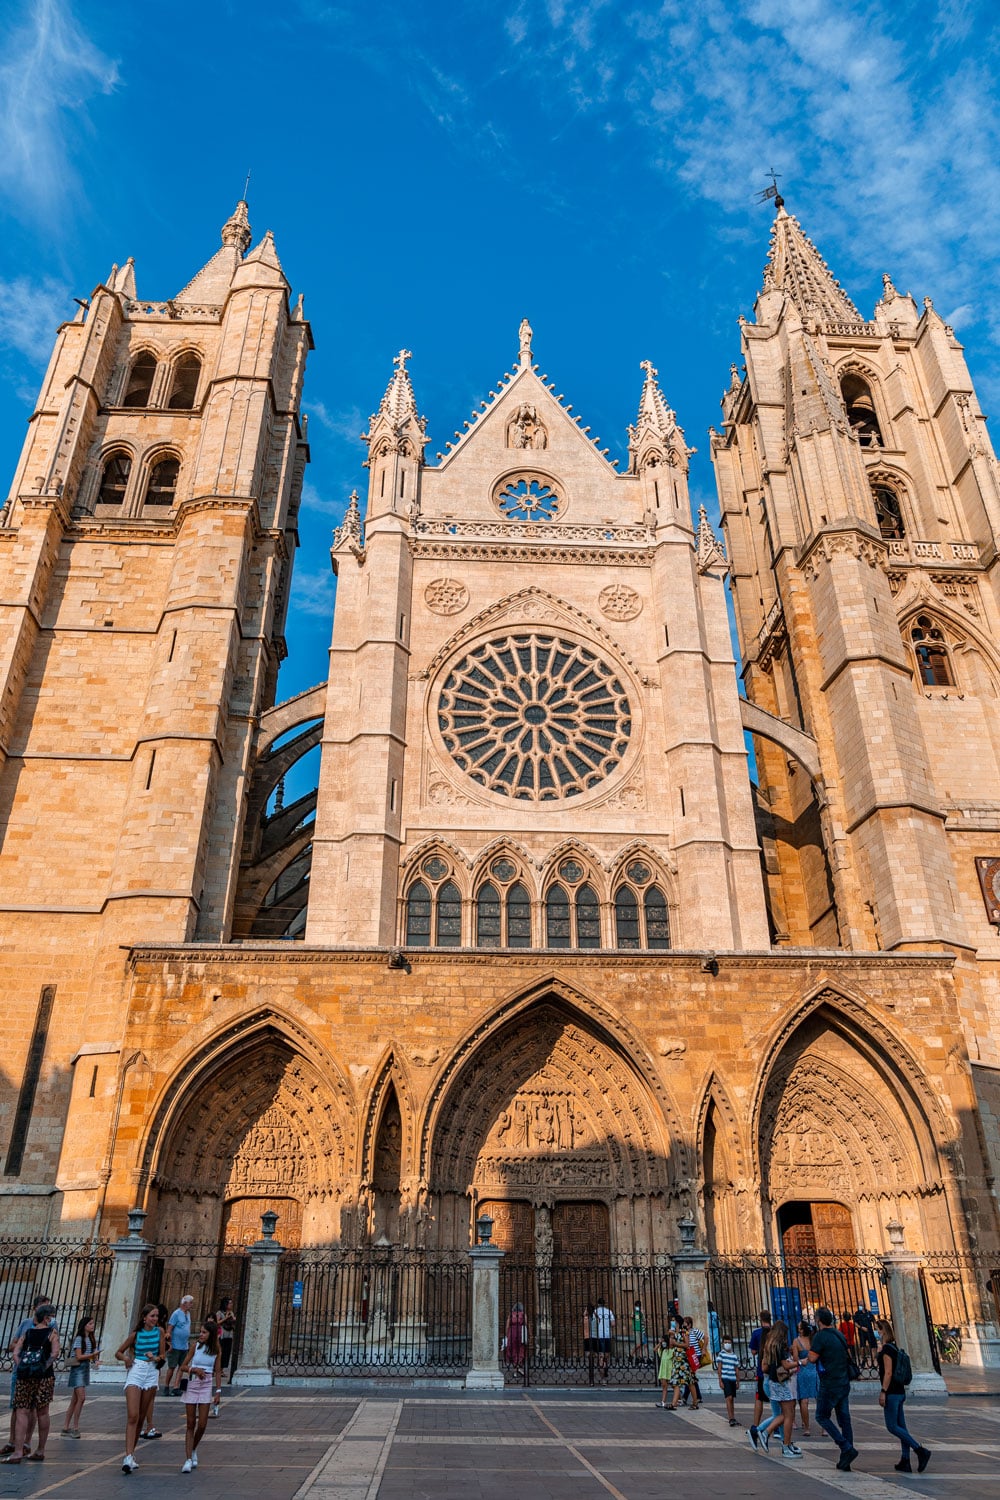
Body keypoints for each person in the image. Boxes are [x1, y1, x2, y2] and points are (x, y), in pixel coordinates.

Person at [3, 1302, 59, 1465]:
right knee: (42, 1411)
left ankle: (18, 1451)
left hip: (24, 1376)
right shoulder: (52, 1333)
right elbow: (55, 1353)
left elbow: (15, 1352)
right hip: (43, 1377)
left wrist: (22, 1365)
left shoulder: (27, 1333)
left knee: (21, 1410)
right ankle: (40, 1449)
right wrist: (43, 1366)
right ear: (47, 1318)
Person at [116, 1302, 166, 1474]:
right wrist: (126, 1359)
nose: (155, 1319)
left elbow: (162, 1356)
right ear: (144, 1318)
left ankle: (132, 1454)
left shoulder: (160, 1332)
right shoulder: (135, 1335)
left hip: (151, 1372)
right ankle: (127, 1456)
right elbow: (119, 1352)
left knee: (141, 1416)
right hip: (136, 1370)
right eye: (152, 1316)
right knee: (133, 1415)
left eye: (157, 1316)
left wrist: (155, 1358)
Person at [876, 1319, 931, 1474]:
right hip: (900, 1392)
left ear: (883, 1331)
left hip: (892, 1393)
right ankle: (905, 1460)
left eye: (878, 1330)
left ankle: (920, 1450)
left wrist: (883, 1391)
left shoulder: (887, 1350)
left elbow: (888, 1372)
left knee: (892, 1426)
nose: (877, 1333)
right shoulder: (894, 1348)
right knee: (902, 1427)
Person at [808, 1306, 858, 1472]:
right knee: (845, 1420)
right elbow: (848, 1355)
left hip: (829, 1383)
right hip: (844, 1382)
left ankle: (845, 1446)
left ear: (819, 1320)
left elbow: (812, 1358)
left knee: (821, 1416)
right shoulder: (839, 1334)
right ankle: (846, 1459)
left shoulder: (820, 1337)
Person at [749, 1318, 801, 1458]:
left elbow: (764, 1367)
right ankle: (766, 1434)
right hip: (780, 1382)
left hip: (772, 1381)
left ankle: (784, 1442)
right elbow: (784, 1365)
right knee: (786, 1415)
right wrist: (799, 1363)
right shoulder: (780, 1346)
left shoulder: (768, 1346)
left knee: (783, 1414)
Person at [179, 1319, 222, 1473]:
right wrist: (194, 1370)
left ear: (211, 1335)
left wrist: (218, 1392)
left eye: (204, 1332)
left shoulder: (216, 1350)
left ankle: (193, 1448)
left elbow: (218, 1371)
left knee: (202, 1424)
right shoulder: (194, 1346)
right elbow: (183, 1366)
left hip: (206, 1385)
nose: (201, 1335)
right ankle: (188, 1458)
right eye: (201, 1332)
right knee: (191, 1423)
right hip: (192, 1383)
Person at [61, 1315, 100, 1438]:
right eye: (90, 1324)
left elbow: (91, 1356)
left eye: (93, 1323)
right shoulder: (79, 1339)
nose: (92, 1326)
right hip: (78, 1369)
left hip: (85, 1369)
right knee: (81, 1398)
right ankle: (75, 1427)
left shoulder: (92, 1339)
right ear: (84, 1326)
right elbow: (79, 1356)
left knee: (75, 1400)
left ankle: (66, 1427)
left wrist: (96, 1359)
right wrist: (92, 1355)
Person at [212, 1296, 237, 1416]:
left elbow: (234, 1320)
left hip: (229, 1334)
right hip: (221, 1335)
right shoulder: (219, 1313)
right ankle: (216, 1369)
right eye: (230, 1303)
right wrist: (226, 1318)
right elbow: (217, 1323)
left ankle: (221, 1370)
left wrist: (232, 1318)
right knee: (219, 1353)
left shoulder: (231, 1312)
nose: (231, 1305)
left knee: (226, 1353)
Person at [791, 1319, 816, 1437]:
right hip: (815, 1371)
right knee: (819, 1399)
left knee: (803, 1401)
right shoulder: (813, 1340)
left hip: (803, 1371)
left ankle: (807, 1428)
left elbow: (796, 1359)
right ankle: (824, 1429)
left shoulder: (796, 1342)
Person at [166, 1295, 194, 1394]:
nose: (192, 1305)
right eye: (190, 1302)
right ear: (184, 1303)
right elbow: (169, 1328)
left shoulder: (188, 1314)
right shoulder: (176, 1314)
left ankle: (176, 1386)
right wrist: (169, 1343)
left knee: (182, 1366)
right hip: (175, 1345)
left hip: (184, 1345)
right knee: (172, 1366)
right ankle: (166, 1386)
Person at [748, 1308, 771, 1429]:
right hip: (774, 1370)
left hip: (761, 1370)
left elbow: (753, 1351)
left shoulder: (757, 1333)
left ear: (761, 1319)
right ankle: (776, 1427)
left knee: (759, 1398)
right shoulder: (774, 1332)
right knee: (775, 1399)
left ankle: (755, 1425)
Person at [715, 1335, 740, 1426]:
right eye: (725, 1342)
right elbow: (719, 1368)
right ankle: (731, 1418)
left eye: (729, 1342)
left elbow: (736, 1368)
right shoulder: (721, 1354)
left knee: (732, 1398)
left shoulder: (734, 1355)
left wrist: (738, 1381)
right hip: (725, 1378)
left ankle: (733, 1417)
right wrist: (720, 1380)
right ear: (722, 1344)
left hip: (732, 1378)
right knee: (728, 1397)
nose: (727, 1344)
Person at [592, 1296, 615, 1379]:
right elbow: (613, 1324)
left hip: (598, 1335)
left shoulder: (595, 1312)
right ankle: (605, 1365)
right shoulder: (609, 1311)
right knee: (607, 1354)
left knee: (600, 1354)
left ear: (598, 1304)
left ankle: (601, 1367)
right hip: (607, 1335)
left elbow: (593, 1323)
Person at [504, 1302, 528, 1379]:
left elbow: (507, 1326)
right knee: (520, 1350)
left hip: (512, 1334)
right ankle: (518, 1369)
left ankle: (516, 1370)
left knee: (513, 1350)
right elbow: (526, 1324)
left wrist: (507, 1335)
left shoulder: (511, 1314)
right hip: (520, 1333)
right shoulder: (523, 1314)